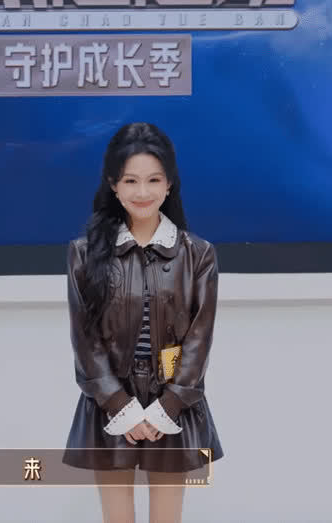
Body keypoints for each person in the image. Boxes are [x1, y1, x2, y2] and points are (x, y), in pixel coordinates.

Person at [63, 122, 224, 523]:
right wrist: (122, 407)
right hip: (109, 407)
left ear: (169, 184)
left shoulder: (198, 254)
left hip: (174, 406)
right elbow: (86, 342)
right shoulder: (84, 253)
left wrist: (166, 407)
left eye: (153, 180)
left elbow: (199, 341)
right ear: (113, 185)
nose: (142, 192)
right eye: (130, 181)